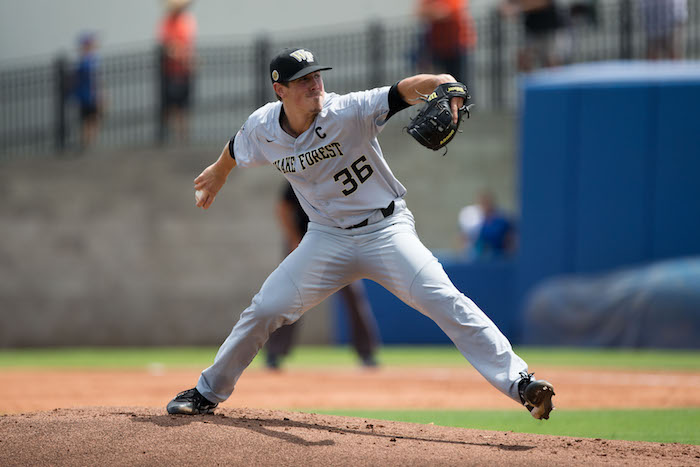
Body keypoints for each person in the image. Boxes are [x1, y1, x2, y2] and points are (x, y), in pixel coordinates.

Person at [166, 47, 556, 420]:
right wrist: (220, 170)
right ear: (280, 91)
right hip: (326, 238)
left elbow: (400, 92)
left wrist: (441, 80)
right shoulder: (264, 126)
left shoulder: (347, 111)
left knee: (445, 300)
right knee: (264, 308)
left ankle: (521, 383)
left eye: (317, 76)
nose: (315, 84)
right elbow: (237, 145)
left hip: (386, 231)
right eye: (303, 80)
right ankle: (207, 392)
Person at [265, 182, 380, 369]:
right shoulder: (299, 176)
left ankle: (366, 352)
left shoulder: (336, 177)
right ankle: (275, 353)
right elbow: (283, 208)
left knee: (353, 296)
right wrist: (294, 239)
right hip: (303, 242)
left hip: (336, 244)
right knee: (289, 298)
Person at [157, 0, 197, 142]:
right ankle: (169, 137)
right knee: (170, 105)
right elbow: (166, 45)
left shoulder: (187, 21)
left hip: (183, 70)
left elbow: (186, 45)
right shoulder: (167, 22)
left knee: (183, 106)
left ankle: (182, 137)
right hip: (170, 71)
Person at [415, 0, 477, 83]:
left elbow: (446, 11)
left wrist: (431, 11)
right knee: (438, 82)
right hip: (437, 46)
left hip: (456, 45)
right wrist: (435, 10)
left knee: (459, 82)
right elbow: (420, 12)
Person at [500, 0, 569, 72]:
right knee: (524, 59)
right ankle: (529, 81)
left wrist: (520, 7)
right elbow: (506, 6)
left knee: (552, 62)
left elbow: (543, 3)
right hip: (532, 29)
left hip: (550, 28)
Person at [458, 191, 516, 260]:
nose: (485, 206)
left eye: (487, 203)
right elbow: (463, 239)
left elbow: (509, 240)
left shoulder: (502, 221)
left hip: (498, 258)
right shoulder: (473, 222)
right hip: (477, 258)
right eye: (483, 203)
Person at [73, 32, 102, 150]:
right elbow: (94, 81)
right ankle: (87, 142)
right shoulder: (88, 63)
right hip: (89, 96)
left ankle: (87, 142)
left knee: (89, 119)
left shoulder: (84, 62)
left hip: (85, 96)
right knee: (90, 119)